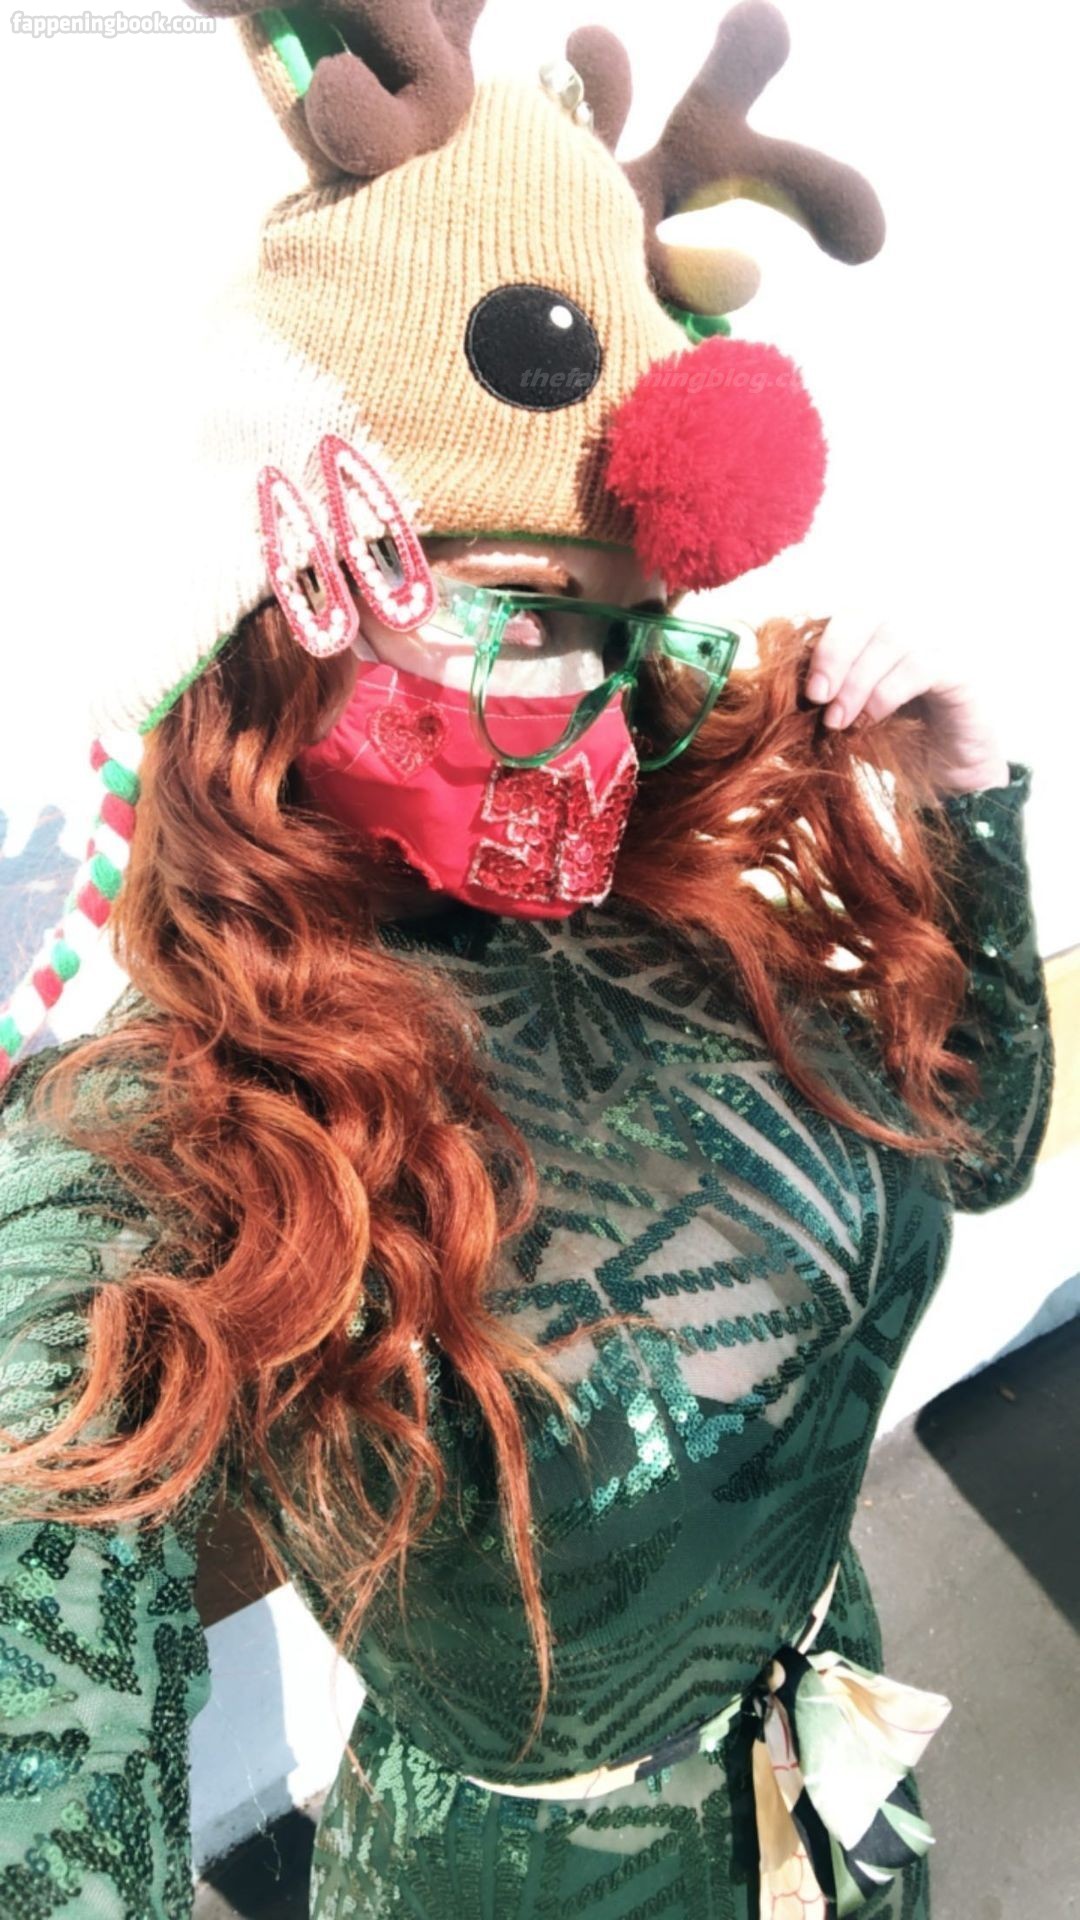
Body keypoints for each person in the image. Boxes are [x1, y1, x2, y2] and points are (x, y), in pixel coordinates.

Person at [0, 4, 1053, 1917]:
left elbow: (979, 1150)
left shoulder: (696, 914)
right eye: (511, 603)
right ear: (284, 599)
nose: (586, 694)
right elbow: (47, 1789)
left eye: (621, 625)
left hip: (837, 1778)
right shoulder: (159, 1135)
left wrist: (968, 822)